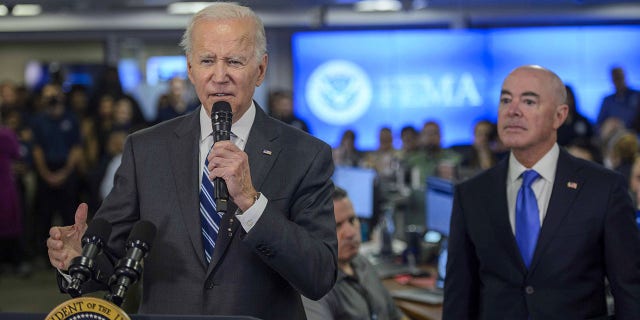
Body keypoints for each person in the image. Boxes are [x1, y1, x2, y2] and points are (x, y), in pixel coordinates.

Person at [46, 3, 338, 319]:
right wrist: (77, 259)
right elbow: (110, 262)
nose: (220, 76)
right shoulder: (145, 149)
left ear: (261, 69)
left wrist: (252, 204)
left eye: (235, 61)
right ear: (189, 68)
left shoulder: (306, 154)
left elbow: (319, 276)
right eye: (207, 61)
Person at [443, 65, 640, 319]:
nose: (513, 110)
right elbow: (459, 298)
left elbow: (631, 294)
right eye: (505, 100)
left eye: (528, 101)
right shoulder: (471, 194)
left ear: (559, 116)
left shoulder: (603, 188)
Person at [302, 187, 406, 320]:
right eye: (337, 225)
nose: (351, 233)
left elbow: (395, 315)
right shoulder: (314, 288)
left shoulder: (362, 263)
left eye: (352, 220)